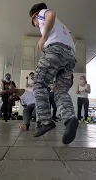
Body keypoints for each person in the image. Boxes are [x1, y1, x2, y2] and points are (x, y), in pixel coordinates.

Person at [29, 3, 78, 144]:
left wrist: (44, 38)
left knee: (39, 83)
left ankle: (45, 121)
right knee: (60, 90)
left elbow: (51, 14)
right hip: (70, 56)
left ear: (35, 16)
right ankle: (70, 119)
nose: (36, 25)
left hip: (56, 50)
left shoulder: (42, 13)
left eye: (34, 23)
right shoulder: (62, 27)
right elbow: (73, 39)